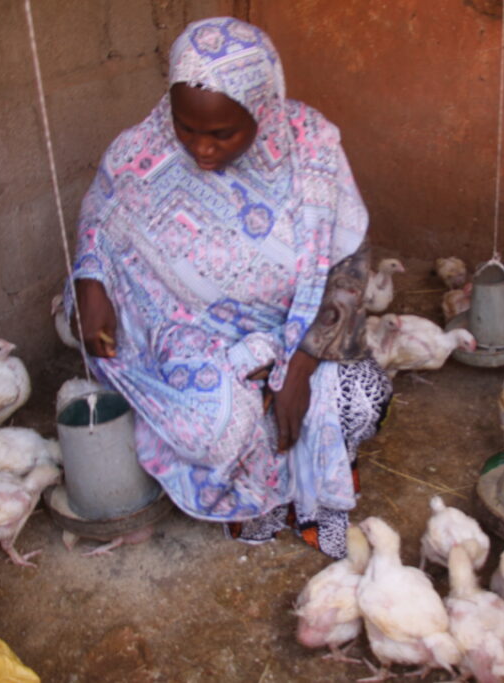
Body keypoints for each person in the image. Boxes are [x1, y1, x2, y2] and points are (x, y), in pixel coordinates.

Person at [65, 17, 391, 559]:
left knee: (359, 399)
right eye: (186, 127)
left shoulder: (311, 150)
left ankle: (286, 457)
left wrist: (301, 368)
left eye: (222, 134)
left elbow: (348, 270)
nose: (201, 149)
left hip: (299, 327)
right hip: (192, 337)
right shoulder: (139, 153)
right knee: (208, 433)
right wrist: (91, 280)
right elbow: (101, 219)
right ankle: (250, 468)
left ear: (263, 109)